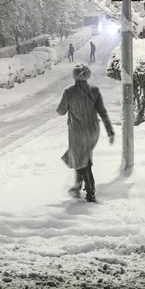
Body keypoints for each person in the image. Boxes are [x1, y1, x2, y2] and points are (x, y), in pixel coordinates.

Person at [57, 64, 114, 203]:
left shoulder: (69, 92)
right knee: (82, 157)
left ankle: (90, 192)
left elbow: (61, 111)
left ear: (74, 76)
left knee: (83, 160)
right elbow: (102, 112)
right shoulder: (94, 91)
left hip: (77, 132)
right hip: (92, 131)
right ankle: (77, 187)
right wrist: (110, 131)